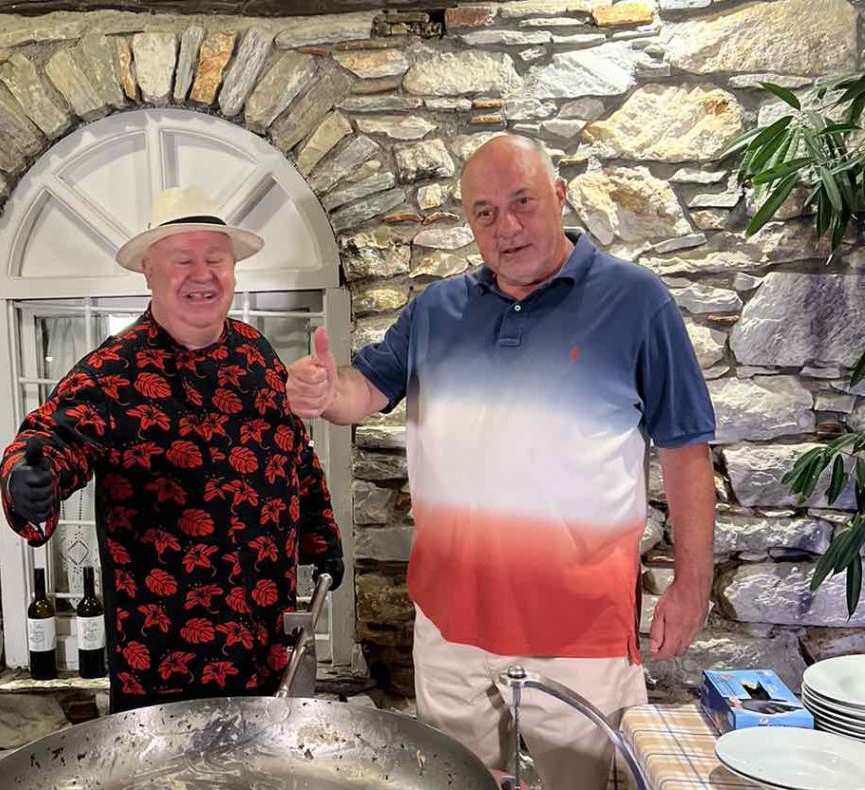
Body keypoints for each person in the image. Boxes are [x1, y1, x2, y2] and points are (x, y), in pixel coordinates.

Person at [286, 136, 715, 789]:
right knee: (457, 783)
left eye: (522, 202)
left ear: (559, 197)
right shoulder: (436, 310)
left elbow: (686, 450)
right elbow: (362, 392)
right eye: (484, 212)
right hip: (451, 627)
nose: (506, 226)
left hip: (580, 635)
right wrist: (324, 392)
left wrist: (691, 584)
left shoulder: (636, 301)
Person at [0, 186, 344, 713]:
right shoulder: (112, 372)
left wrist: (321, 538)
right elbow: (49, 440)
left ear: (232, 270)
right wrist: (28, 482)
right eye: (183, 260)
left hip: (267, 650)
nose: (202, 275)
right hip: (162, 669)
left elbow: (293, 455)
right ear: (149, 272)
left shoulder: (256, 354)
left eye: (215, 259)